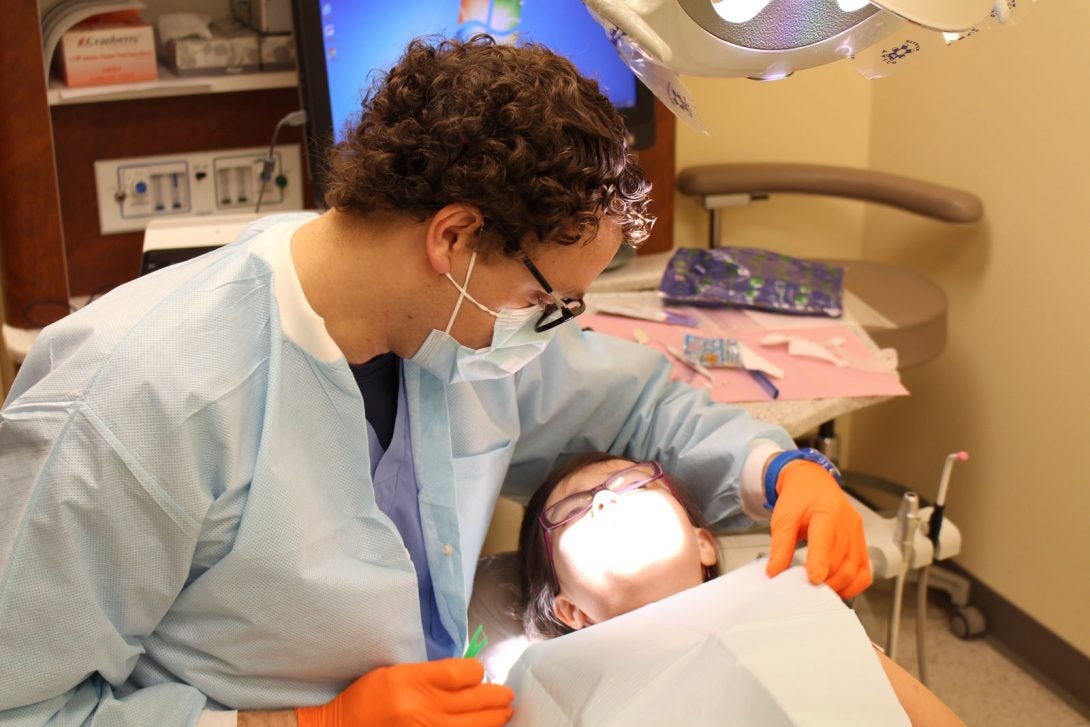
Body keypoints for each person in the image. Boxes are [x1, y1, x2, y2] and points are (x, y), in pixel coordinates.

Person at [0, 34, 868, 726]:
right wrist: (310, 725)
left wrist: (784, 471)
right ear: (453, 239)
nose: (546, 325)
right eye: (544, 297)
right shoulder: (134, 405)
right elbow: (23, 704)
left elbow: (641, 401)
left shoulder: (449, 335)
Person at [516, 452, 965, 726]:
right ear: (572, 611)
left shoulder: (800, 617)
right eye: (574, 509)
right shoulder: (554, 694)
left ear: (704, 544)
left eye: (633, 483)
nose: (607, 499)